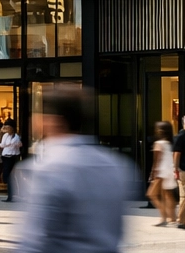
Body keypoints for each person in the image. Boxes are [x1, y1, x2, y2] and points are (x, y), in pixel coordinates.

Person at [14, 85, 133, 253]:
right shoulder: (115, 165)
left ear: (55, 121)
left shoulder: (48, 169)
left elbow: (35, 241)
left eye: (41, 114)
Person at [147, 121, 177, 226]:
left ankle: (163, 217)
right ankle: (172, 217)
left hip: (161, 172)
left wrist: (153, 173)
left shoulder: (158, 144)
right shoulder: (170, 143)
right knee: (168, 195)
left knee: (152, 194)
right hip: (169, 171)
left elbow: (157, 161)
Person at [0, 120, 22, 201]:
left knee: (9, 176)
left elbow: (12, 145)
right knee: (6, 176)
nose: (7, 129)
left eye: (8, 127)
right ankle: (11, 194)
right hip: (5, 156)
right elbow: (3, 144)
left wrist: (6, 145)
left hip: (12, 157)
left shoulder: (16, 137)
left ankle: (11, 195)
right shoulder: (5, 135)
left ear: (12, 128)